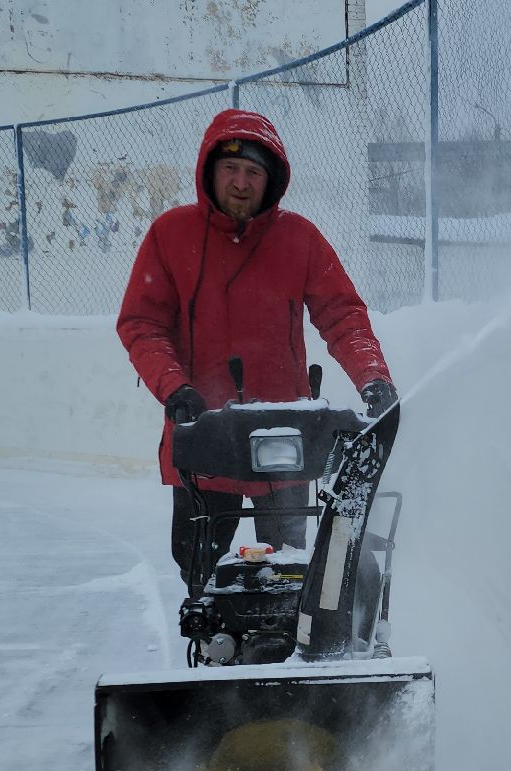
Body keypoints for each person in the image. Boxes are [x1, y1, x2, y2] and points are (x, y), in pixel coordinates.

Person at [118, 109, 397, 587]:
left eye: (254, 172)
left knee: (290, 573)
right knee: (202, 582)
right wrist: (175, 389)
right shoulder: (171, 235)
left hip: (285, 439)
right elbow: (142, 324)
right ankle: (212, 657)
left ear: (272, 182)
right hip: (203, 433)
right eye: (230, 169)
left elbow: (342, 315)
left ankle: (285, 654)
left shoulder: (299, 238)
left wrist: (373, 376)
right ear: (209, 172)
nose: (241, 183)